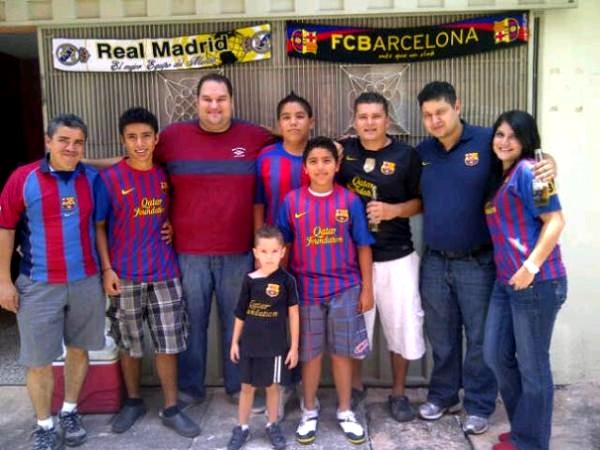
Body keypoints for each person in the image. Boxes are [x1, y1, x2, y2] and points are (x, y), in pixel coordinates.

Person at [415, 81, 555, 435]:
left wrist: (549, 163)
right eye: (428, 115)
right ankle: (443, 395)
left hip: (477, 261)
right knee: (441, 336)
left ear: (457, 106)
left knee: (480, 340)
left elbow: (524, 160)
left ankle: (478, 405)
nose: (435, 120)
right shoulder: (423, 151)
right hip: (434, 260)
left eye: (441, 112)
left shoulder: (486, 141)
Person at [152, 73, 275, 406]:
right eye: (207, 99)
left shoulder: (254, 136)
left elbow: (292, 139)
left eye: (221, 99)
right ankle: (191, 389)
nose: (214, 106)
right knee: (191, 324)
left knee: (237, 323)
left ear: (232, 102)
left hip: (238, 252)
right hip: (188, 253)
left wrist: (339, 147)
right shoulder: (172, 137)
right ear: (196, 102)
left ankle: (238, 387)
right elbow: (141, 166)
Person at [0, 114, 105, 450]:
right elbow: (5, 230)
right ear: (48, 141)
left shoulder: (91, 179)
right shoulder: (23, 179)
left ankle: (70, 411)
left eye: (78, 142)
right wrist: (4, 281)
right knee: (38, 360)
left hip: (86, 281)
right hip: (38, 283)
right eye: (63, 140)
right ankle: (44, 425)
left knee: (79, 349)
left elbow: (101, 227)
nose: (71, 148)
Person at [94, 107, 200, 438]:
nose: (139, 144)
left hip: (164, 272)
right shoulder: (110, 179)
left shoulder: (165, 176)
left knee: (169, 342)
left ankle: (171, 407)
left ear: (156, 139)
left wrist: (172, 227)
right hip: (124, 274)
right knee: (130, 343)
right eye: (132, 137)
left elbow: (181, 210)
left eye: (145, 136)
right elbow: (99, 227)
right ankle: (133, 402)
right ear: (123, 140)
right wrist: (107, 269)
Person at [277, 136, 374, 445]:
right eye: (314, 161)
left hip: (345, 288)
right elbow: (283, 247)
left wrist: (367, 289)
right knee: (310, 354)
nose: (321, 167)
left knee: (343, 353)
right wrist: (281, 289)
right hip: (306, 291)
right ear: (305, 168)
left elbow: (363, 246)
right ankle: (309, 410)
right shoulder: (292, 202)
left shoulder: (349, 201)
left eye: (327, 161)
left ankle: (345, 410)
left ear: (337, 165)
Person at [337, 91, 426, 422]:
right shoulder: (344, 151)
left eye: (376, 116)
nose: (370, 123)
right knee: (355, 327)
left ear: (388, 120)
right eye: (363, 117)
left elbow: (421, 202)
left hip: (396, 256)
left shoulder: (406, 155)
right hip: (351, 259)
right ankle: (355, 387)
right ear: (354, 121)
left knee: (401, 325)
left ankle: (399, 392)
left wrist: (393, 210)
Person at [483, 110, 567, 450]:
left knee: (533, 368)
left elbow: (555, 221)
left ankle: (530, 442)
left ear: (526, 140)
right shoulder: (502, 176)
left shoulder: (531, 171)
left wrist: (530, 267)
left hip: (537, 283)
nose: (505, 142)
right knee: (495, 355)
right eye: (500, 134)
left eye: (514, 136)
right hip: (506, 283)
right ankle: (524, 428)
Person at [253, 91, 312, 417]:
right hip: (276, 258)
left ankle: (305, 386)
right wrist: (260, 253)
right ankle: (280, 386)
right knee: (274, 322)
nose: (293, 122)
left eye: (299, 116)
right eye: (286, 117)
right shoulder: (265, 158)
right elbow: (258, 204)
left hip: (314, 255)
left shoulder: (321, 155)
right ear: (278, 124)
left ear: (311, 121)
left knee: (306, 321)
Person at [227, 225, 300, 450]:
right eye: (264, 251)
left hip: (275, 348)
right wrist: (234, 342)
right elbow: (240, 313)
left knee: (272, 387)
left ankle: (272, 425)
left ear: (282, 252)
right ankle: (242, 427)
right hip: (249, 346)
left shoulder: (287, 281)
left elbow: (293, 314)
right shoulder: (249, 280)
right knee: (247, 388)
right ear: (256, 253)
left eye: (274, 251)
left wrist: (294, 347)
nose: (269, 256)